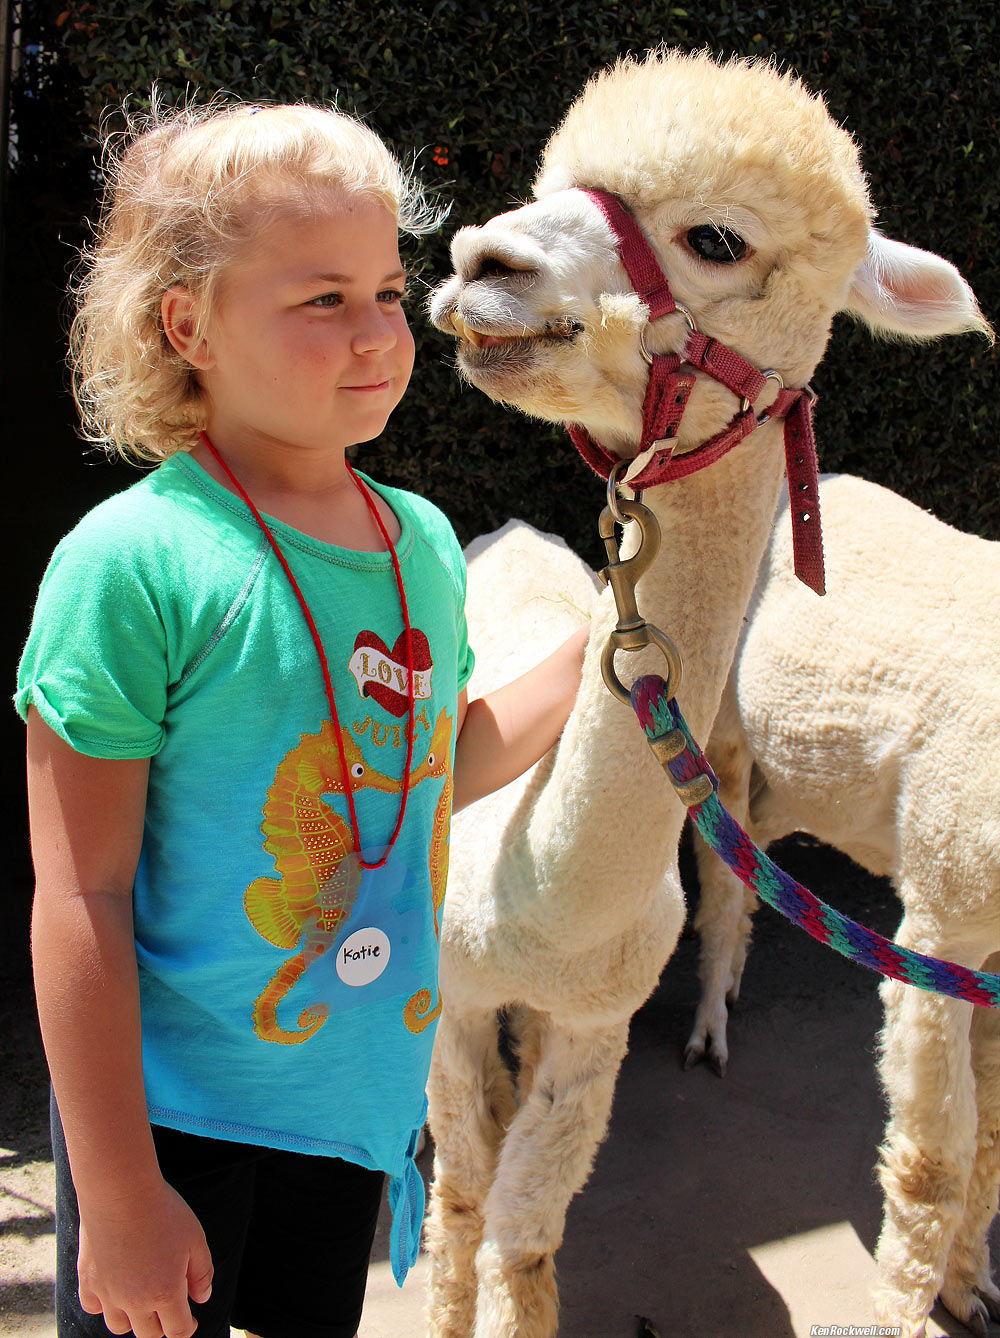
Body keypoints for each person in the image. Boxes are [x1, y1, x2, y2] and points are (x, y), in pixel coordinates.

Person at [16, 98, 589, 1338]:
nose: (380, 332)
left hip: (353, 1109)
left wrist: (603, 659)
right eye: (321, 298)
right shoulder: (134, 565)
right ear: (189, 326)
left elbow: (429, 771)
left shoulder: (422, 542)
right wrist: (117, 1197)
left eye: (387, 290)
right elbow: (79, 896)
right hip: (172, 1125)